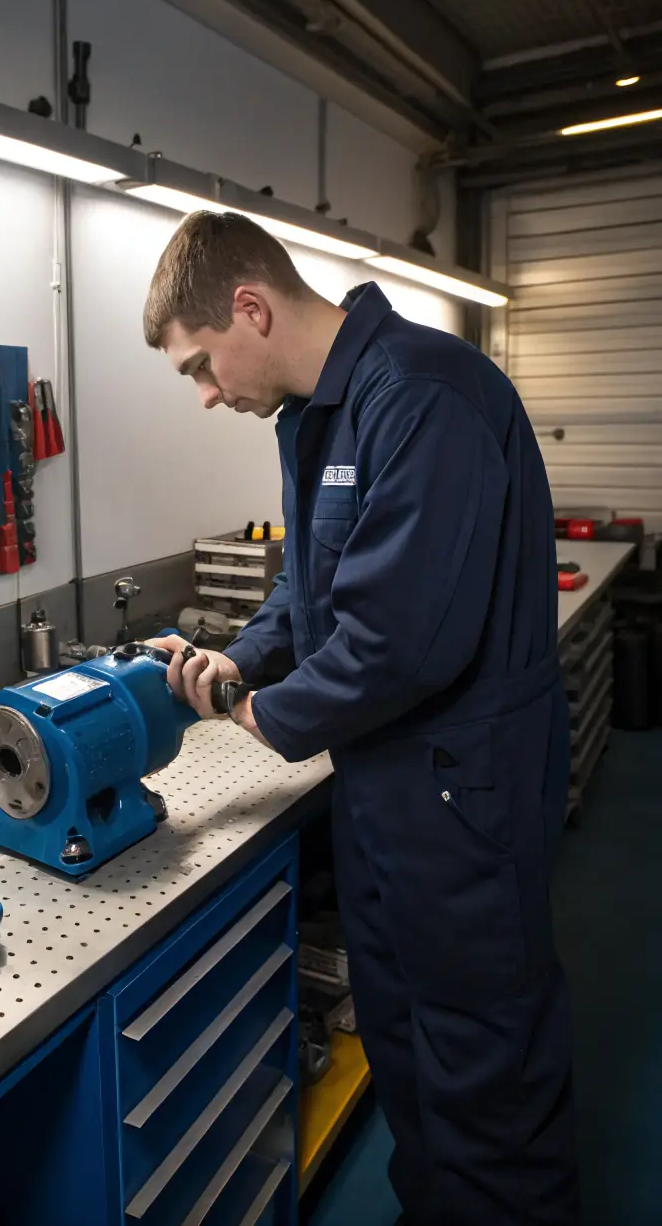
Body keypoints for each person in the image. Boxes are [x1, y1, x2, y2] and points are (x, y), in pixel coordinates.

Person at [144, 211, 578, 1226]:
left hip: (458, 797)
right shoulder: (319, 415)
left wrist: (247, 706)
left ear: (249, 307)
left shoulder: (423, 394)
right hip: (384, 794)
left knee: (485, 1071)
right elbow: (310, 586)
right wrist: (239, 655)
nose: (207, 395)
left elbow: (399, 643)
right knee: (408, 1050)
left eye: (200, 366)